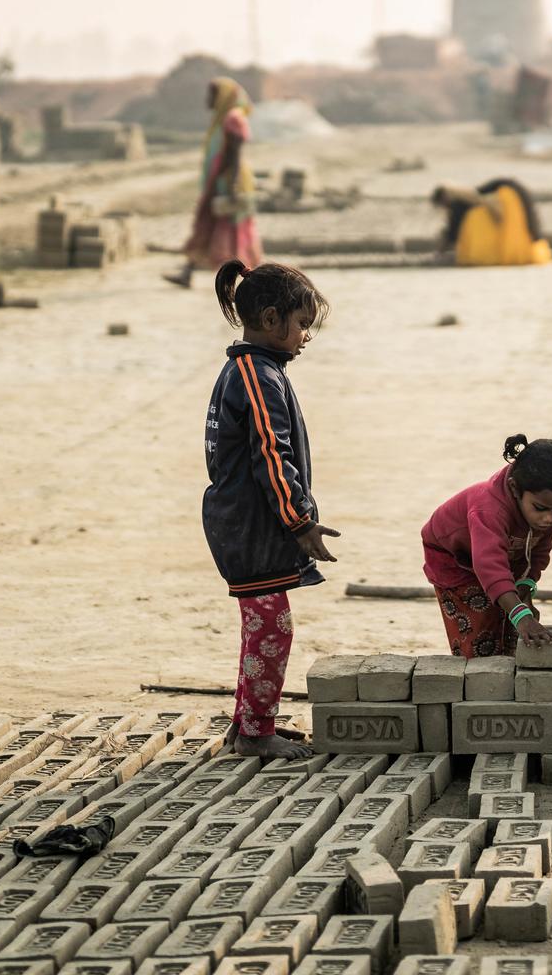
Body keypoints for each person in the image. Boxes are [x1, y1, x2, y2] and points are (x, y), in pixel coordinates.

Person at [202, 260, 340, 761]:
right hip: (251, 524)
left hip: (247, 519)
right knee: (271, 628)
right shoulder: (256, 377)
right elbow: (271, 455)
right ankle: (257, 733)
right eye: (301, 324)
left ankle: (247, 725)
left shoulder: (255, 369)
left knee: (263, 624)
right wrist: (300, 522)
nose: (305, 337)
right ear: (268, 318)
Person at [420, 436, 552, 656]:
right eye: (540, 508)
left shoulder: (546, 509)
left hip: (502, 558)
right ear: (515, 488)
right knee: (481, 636)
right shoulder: (489, 510)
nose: (549, 519)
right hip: (454, 561)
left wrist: (524, 592)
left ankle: (510, 679)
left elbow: (538, 553)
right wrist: (520, 614)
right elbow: (489, 566)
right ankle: (481, 681)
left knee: (513, 631)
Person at [168, 77, 262, 288]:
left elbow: (234, 155)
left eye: (212, 95)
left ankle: (246, 279)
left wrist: (231, 186)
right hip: (219, 181)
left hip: (229, 181)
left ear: (223, 97)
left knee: (230, 230)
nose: (207, 100)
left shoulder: (233, 119)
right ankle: (188, 271)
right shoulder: (222, 120)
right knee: (208, 225)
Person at [430, 178, 552, 267]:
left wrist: (441, 250)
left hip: (510, 198)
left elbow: (452, 231)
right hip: (514, 196)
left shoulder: (462, 203)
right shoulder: (473, 198)